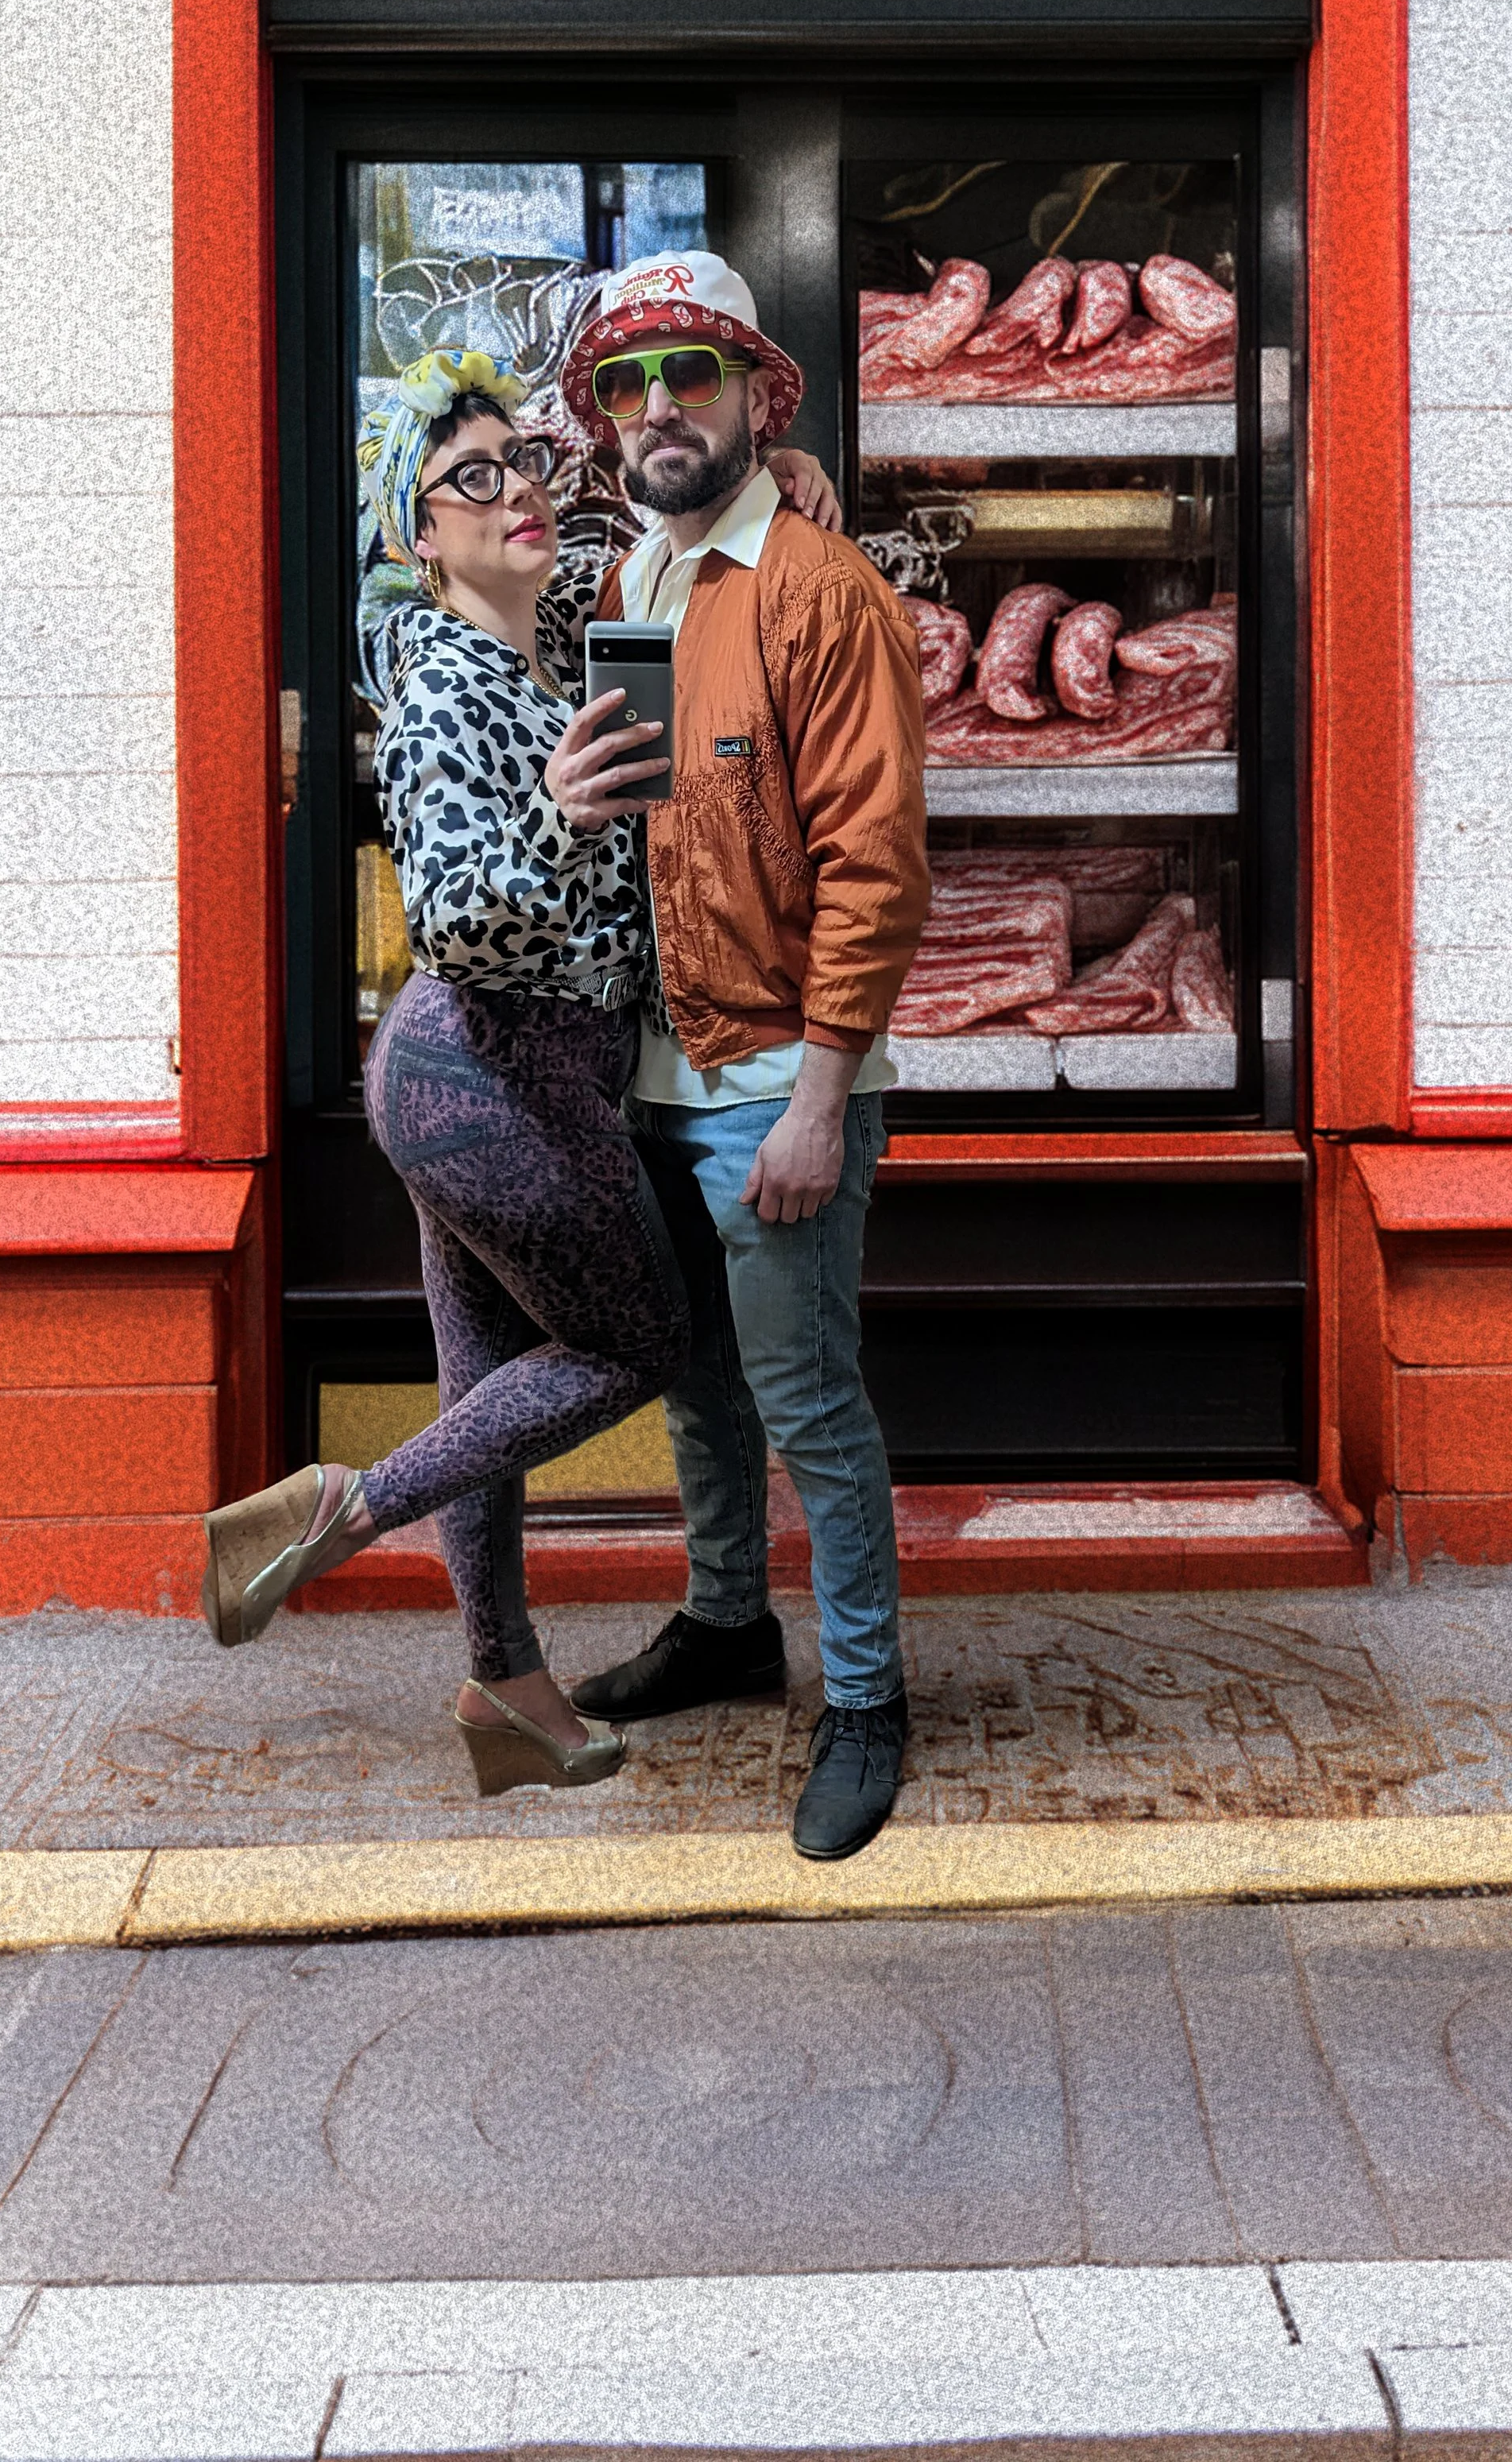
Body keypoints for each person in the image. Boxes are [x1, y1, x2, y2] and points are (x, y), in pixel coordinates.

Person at [195, 344, 841, 1798]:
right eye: (467, 481)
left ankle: (504, 1693)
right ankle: (334, 1509)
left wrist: (796, 480)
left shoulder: (553, 635)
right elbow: (459, 917)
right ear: (418, 538)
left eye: (527, 463)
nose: (515, 492)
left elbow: (695, 506)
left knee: (489, 1378)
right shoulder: (444, 683)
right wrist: (557, 815)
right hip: (493, 1071)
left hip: (476, 1079)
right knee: (638, 1344)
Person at [555, 254, 930, 1862]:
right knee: (701, 1396)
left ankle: (864, 1700)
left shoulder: (821, 591)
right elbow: (636, 817)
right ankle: (724, 1626)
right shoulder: (633, 587)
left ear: (755, 395)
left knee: (806, 1404)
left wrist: (822, 1099)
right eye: (626, 385)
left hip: (780, 1086)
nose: (657, 409)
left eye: (689, 375)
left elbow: (873, 861)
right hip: (653, 1076)